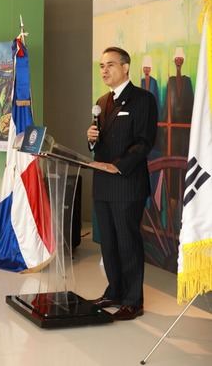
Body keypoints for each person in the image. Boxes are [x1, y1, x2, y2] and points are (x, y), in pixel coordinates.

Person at [86, 47, 157, 321]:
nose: (104, 70)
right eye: (101, 66)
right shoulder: (102, 101)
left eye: (110, 65)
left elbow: (144, 142)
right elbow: (99, 143)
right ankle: (114, 291)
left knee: (128, 242)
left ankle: (132, 300)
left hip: (127, 184)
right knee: (109, 243)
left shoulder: (143, 100)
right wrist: (91, 138)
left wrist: (119, 166)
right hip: (103, 184)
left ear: (126, 68)